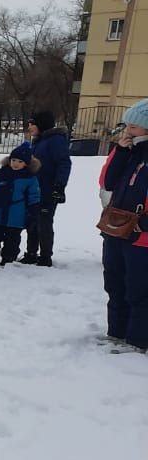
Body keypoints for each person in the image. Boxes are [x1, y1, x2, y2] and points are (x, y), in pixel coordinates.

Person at [100, 99, 148, 354]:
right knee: (115, 284)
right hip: (117, 228)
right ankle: (116, 333)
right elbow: (108, 182)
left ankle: (138, 341)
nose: (128, 129)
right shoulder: (129, 151)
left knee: (139, 289)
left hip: (143, 236)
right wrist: (120, 151)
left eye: (134, 126)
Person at [21, 111, 72, 267]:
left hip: (48, 189)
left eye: (32, 124)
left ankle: (45, 256)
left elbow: (64, 163)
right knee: (32, 222)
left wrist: (59, 186)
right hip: (34, 190)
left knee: (44, 222)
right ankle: (31, 253)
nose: (29, 127)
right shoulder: (38, 141)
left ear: (41, 125)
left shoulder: (55, 141)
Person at [0, 143, 41, 268]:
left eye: (20, 161)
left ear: (26, 163)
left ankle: (8, 260)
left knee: (12, 241)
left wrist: (32, 214)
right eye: (13, 160)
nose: (16, 164)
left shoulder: (30, 178)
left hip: (17, 216)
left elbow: (34, 197)